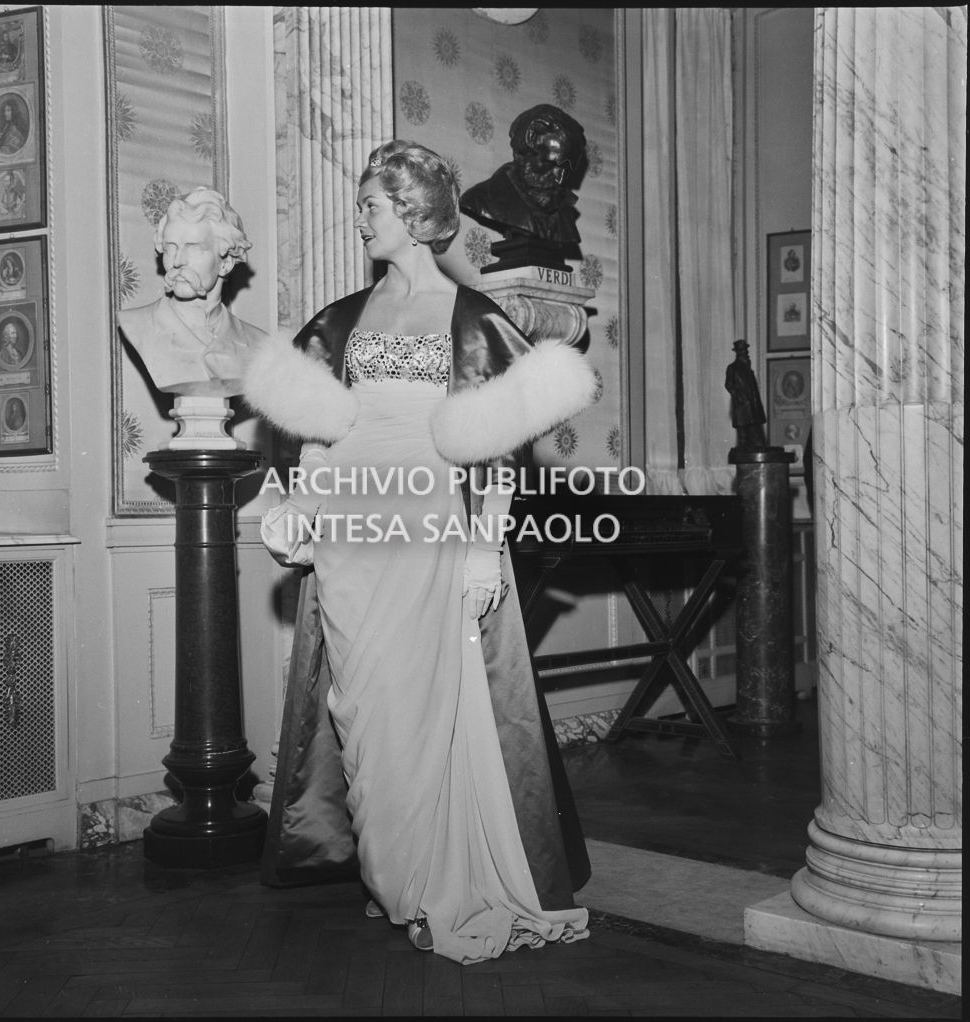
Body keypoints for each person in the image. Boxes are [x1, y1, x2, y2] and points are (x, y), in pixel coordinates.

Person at [244, 140, 595, 965]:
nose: (361, 216)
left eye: (372, 204)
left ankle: (434, 882)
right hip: (351, 542)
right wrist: (299, 504)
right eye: (365, 203)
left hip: (432, 532)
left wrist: (482, 551)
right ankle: (393, 874)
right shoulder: (340, 318)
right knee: (361, 711)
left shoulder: (474, 320)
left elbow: (500, 452)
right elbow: (322, 435)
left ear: (412, 214)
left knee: (426, 709)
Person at [118, 186, 266, 396]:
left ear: (226, 262)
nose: (177, 261)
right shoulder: (136, 325)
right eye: (170, 247)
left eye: (194, 247)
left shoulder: (259, 344)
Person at [460, 103, 587, 247]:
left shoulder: (563, 211)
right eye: (550, 164)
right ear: (530, 140)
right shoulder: (480, 200)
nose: (560, 179)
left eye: (567, 170)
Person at [724, 339, 767, 451]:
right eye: (743, 351)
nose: (745, 353)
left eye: (746, 350)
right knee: (743, 434)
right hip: (742, 406)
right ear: (738, 352)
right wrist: (739, 396)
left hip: (752, 404)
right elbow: (729, 384)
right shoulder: (732, 368)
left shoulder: (748, 367)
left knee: (756, 433)